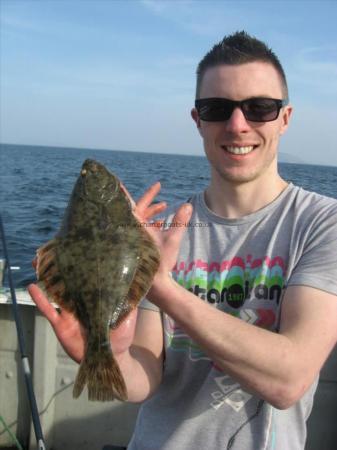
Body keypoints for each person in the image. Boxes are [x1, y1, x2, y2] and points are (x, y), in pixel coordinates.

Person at [29, 31, 337, 450]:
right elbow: (146, 380)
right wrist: (112, 357)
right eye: (217, 108)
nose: (237, 124)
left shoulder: (322, 223)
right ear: (198, 120)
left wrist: (163, 288)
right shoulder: (163, 235)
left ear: (285, 118)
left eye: (260, 107)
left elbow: (289, 380)